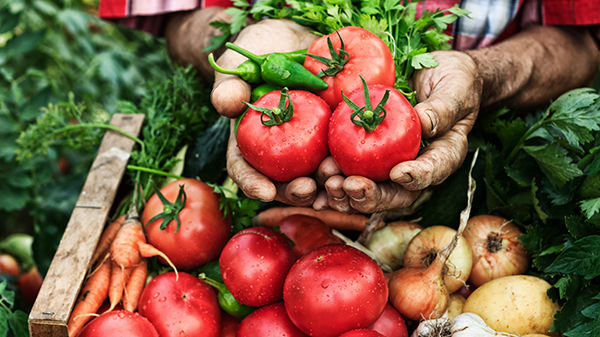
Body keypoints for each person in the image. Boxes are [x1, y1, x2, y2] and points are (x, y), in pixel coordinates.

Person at [99, 0, 600, 214]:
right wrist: (243, 59)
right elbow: (180, 17)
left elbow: (580, 41)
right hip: (265, 197)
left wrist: (481, 76)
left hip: (484, 175)